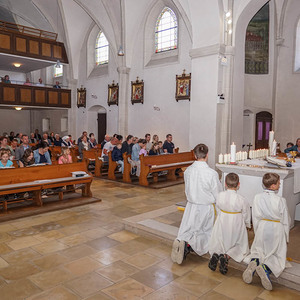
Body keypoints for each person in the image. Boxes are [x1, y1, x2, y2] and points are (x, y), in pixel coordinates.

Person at [171, 144, 222, 264]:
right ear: (207, 155)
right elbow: (217, 194)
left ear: (194, 155)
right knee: (203, 232)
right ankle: (188, 246)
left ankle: (183, 242)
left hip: (191, 205)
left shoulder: (188, 171)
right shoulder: (211, 173)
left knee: (190, 227)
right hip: (206, 207)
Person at [242, 173, 290, 291]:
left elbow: (256, 216)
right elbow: (285, 219)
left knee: (259, 249)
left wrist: (258, 230)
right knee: (277, 254)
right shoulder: (280, 200)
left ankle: (254, 262)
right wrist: (286, 234)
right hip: (276, 228)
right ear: (273, 186)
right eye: (278, 182)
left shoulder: (257, 197)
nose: (280, 184)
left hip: (263, 226)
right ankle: (266, 268)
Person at [208, 173, 251, 275]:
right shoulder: (242, 199)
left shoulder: (220, 195)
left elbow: (218, 208)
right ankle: (226, 256)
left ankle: (216, 254)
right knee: (240, 244)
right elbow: (246, 213)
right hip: (236, 221)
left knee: (220, 239)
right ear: (238, 184)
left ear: (225, 185)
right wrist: (246, 223)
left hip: (222, 219)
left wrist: (221, 216)